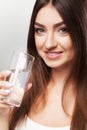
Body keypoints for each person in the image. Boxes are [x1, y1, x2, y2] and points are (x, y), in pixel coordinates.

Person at [0, 0, 87, 130]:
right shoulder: (19, 91)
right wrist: (3, 115)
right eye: (40, 30)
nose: (48, 44)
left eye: (63, 29)